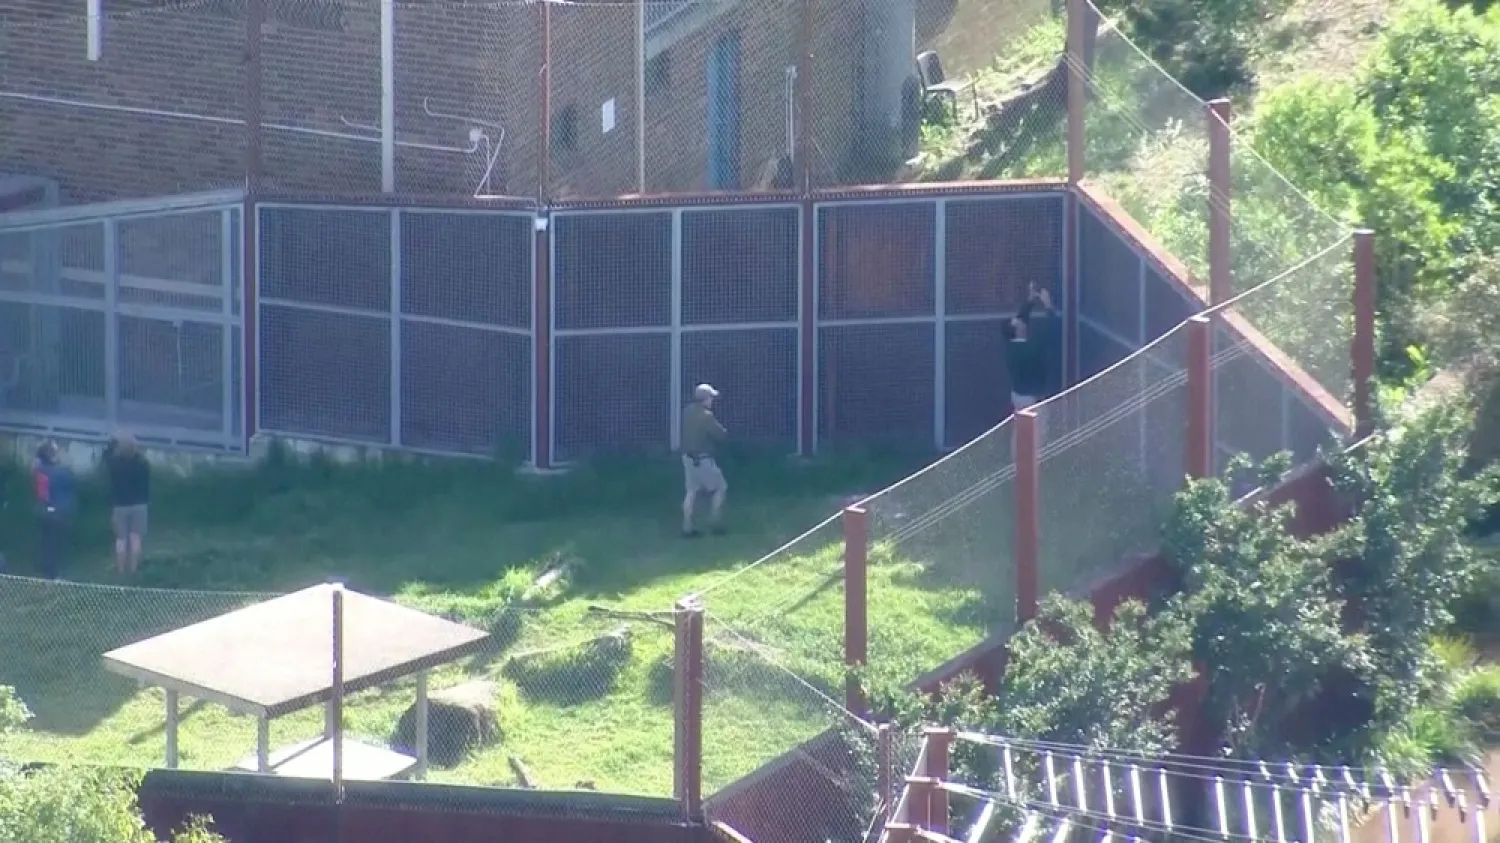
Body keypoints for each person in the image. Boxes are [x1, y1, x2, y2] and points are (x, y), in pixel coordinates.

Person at [680, 383, 728, 538]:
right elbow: (719, 435)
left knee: (691, 491)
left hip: (687, 457)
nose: (712, 401)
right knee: (721, 487)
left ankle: (687, 527)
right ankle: (715, 524)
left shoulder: (687, 411)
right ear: (706, 399)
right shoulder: (707, 416)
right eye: (711, 398)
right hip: (703, 459)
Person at [1004, 283, 1057, 415]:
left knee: (1020, 429)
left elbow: (1022, 317)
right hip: (1031, 400)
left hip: (1018, 395)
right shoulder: (1029, 349)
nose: (1020, 320)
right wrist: (1048, 306)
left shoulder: (1012, 346)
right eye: (1017, 321)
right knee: (1036, 432)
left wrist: (1030, 300)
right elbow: (1051, 331)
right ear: (1016, 330)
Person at [103, 431, 151, 575]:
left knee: (121, 539)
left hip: (120, 505)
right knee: (136, 538)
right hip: (140, 505)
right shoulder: (143, 464)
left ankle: (120, 570)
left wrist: (112, 443)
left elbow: (106, 457)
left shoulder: (115, 464)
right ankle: (134, 569)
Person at [32, 440, 76, 581]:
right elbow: (70, 480)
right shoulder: (60, 471)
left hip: (43, 510)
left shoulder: (39, 469)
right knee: (55, 543)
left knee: (46, 541)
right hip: (58, 511)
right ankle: (52, 574)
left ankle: (45, 569)